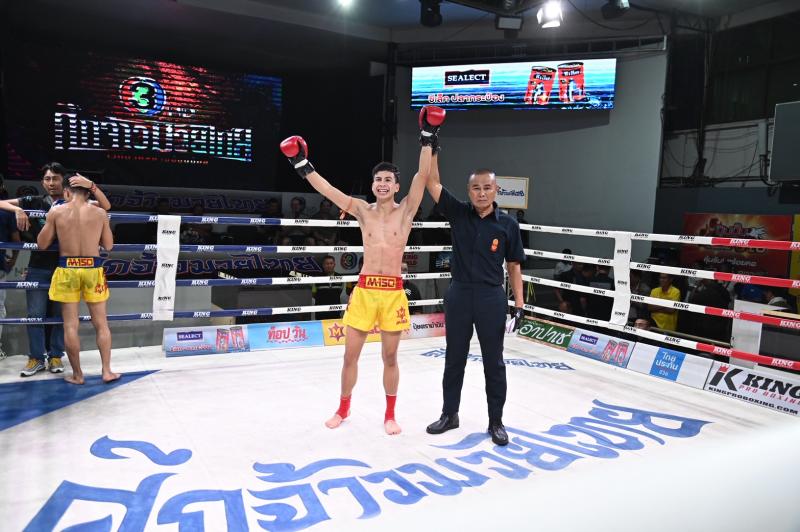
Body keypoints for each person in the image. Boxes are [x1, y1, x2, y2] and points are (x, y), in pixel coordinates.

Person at [279, 104, 444, 435]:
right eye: (378, 179)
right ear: (373, 185)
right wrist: (301, 164)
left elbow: (422, 176)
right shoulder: (361, 210)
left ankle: (390, 414)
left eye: (388, 180)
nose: (382, 183)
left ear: (396, 186)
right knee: (349, 357)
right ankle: (343, 408)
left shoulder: (407, 211)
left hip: (393, 293)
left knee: (390, 358)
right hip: (365, 291)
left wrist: (428, 137)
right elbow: (328, 190)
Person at [423, 151, 526, 447]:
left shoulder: (508, 224)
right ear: (469, 191)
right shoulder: (458, 213)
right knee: (454, 358)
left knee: (494, 362)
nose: (482, 193)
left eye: (487, 187)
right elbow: (432, 182)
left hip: (491, 297)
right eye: (476, 188)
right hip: (459, 293)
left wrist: (520, 305)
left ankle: (496, 421)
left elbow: (514, 267)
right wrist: (431, 145)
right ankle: (449, 414)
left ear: (496, 190)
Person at [0, 164, 111, 377]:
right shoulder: (35, 202)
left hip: (64, 268)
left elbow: (106, 205)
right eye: (47, 179)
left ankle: (58, 358)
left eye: (55, 179)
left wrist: (90, 186)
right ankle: (36, 358)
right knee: (36, 315)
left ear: (65, 184)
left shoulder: (73, 205)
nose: (51, 183)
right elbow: (108, 241)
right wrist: (17, 210)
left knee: (64, 320)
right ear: (42, 182)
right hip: (48, 266)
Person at [36, 181, 118, 384]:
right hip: (93, 270)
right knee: (101, 324)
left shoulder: (57, 212)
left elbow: (42, 244)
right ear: (88, 193)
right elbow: (108, 245)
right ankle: (107, 371)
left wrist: (53, 219)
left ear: (66, 192)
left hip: (68, 269)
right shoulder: (100, 213)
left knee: (70, 326)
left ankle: (78, 375)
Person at [0, 180, 21, 359]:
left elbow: (16, 240)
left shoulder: (7, 211)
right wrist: (13, 259)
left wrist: (13, 260)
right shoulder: (8, 211)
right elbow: (16, 240)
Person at [312, 255, 346, 320]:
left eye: (331, 263)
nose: (329, 265)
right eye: (327, 264)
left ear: (334, 264)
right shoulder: (317, 278)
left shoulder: (340, 277)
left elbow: (340, 291)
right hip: (321, 313)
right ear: (323, 265)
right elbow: (313, 294)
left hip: (335, 313)